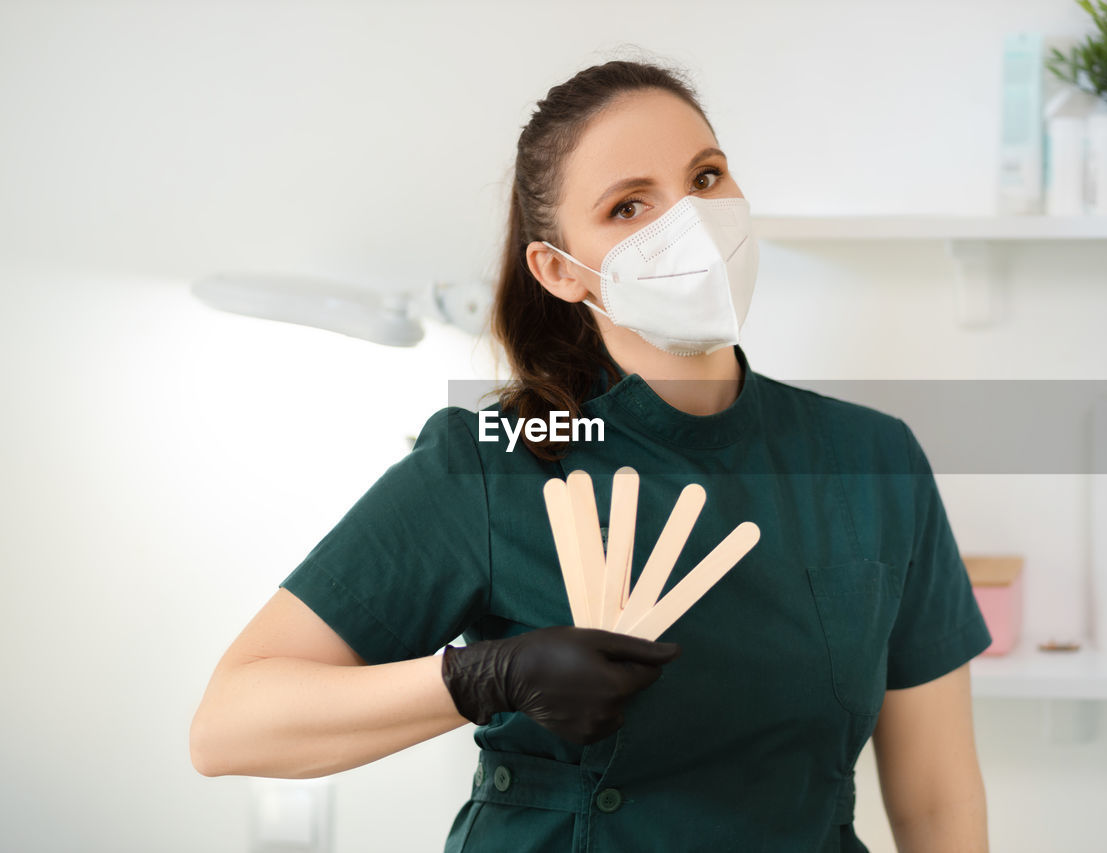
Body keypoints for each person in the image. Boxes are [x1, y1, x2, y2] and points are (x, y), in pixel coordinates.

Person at [189, 58, 993, 852]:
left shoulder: (871, 459)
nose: (688, 224)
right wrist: (488, 677)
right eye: (629, 206)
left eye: (706, 178)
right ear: (559, 271)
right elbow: (228, 726)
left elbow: (936, 801)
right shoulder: (498, 459)